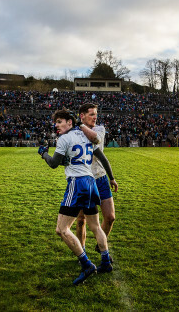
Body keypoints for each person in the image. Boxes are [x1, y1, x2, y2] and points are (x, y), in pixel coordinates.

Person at [38, 109, 114, 285]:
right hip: (91, 182)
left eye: (59, 122)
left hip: (77, 183)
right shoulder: (85, 134)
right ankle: (105, 261)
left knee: (61, 229)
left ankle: (86, 264)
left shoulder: (64, 138)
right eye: (55, 122)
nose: (56, 126)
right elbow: (95, 152)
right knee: (95, 226)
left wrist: (43, 154)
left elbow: (54, 164)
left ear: (69, 122)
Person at [75, 103, 118, 258]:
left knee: (110, 217)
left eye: (96, 114)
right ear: (82, 116)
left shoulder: (99, 129)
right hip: (83, 179)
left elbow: (95, 140)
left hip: (100, 177)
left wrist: (111, 178)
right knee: (81, 220)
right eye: (91, 114)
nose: (95, 117)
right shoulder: (74, 132)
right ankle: (82, 252)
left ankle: (101, 246)